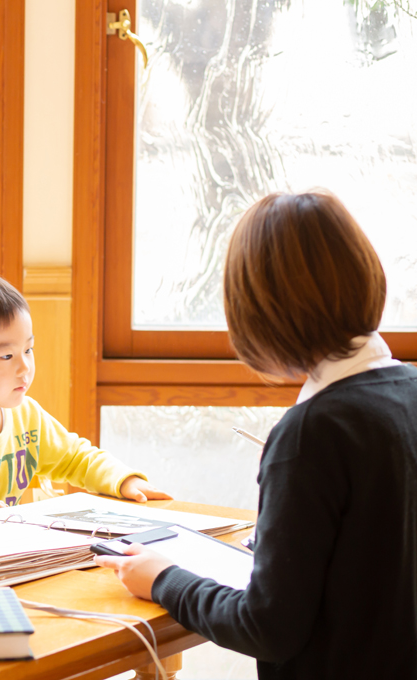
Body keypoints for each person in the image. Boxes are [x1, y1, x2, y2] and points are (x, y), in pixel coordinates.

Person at [94, 192, 417, 678]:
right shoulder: (406, 392)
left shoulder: (313, 431)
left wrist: (164, 579)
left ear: (260, 311)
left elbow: (268, 626)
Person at [0, 268, 168, 506]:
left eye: (28, 349)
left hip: (10, 556)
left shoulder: (27, 417)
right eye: (6, 356)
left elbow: (76, 458)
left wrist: (124, 481)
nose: (25, 367)